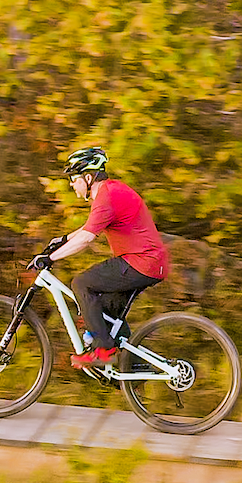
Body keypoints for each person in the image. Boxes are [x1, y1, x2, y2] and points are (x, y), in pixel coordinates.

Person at [33, 145, 170, 369]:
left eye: (73, 178)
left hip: (141, 262)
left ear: (88, 177)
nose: (71, 184)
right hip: (147, 262)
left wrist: (52, 259)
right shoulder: (110, 192)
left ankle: (104, 350)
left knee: (82, 283)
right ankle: (130, 367)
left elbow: (87, 238)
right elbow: (88, 228)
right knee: (107, 313)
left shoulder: (108, 196)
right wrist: (63, 239)